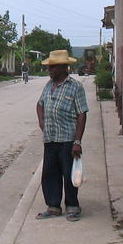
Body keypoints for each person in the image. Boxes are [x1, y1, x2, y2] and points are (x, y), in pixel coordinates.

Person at [35, 50, 88, 222]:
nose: (50, 70)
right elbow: (40, 104)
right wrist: (41, 121)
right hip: (50, 138)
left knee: (69, 173)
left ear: (64, 68)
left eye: (53, 67)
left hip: (67, 139)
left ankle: (72, 206)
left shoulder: (75, 86)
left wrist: (77, 141)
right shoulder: (48, 85)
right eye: (49, 67)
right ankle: (53, 206)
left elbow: (81, 114)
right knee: (50, 173)